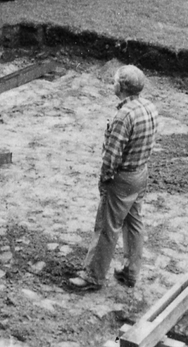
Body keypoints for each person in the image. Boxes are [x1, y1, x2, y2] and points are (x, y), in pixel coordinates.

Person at [67, 65, 159, 292]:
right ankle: (130, 271)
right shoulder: (149, 107)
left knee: (107, 227)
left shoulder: (123, 116)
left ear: (120, 87)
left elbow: (112, 155)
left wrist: (105, 179)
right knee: (134, 222)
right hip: (140, 174)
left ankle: (93, 276)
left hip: (122, 179)